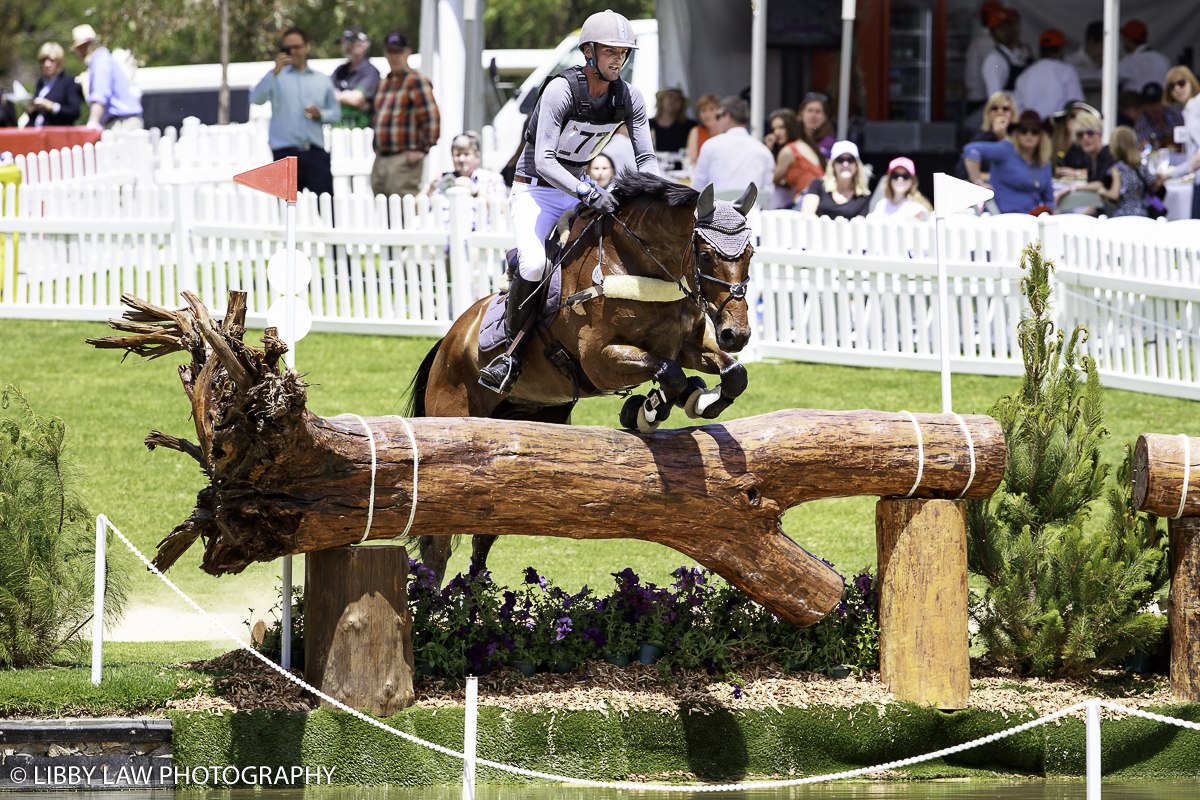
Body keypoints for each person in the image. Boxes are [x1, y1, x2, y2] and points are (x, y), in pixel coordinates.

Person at [478, 9, 660, 394]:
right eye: (611, 51)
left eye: (624, 52)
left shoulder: (629, 96)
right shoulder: (561, 90)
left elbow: (646, 160)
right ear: (589, 52)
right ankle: (509, 354)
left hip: (576, 189)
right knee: (534, 264)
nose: (618, 59)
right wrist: (589, 192)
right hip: (535, 191)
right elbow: (544, 160)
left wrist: (657, 197)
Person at [251, 28, 340, 197]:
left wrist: (320, 115)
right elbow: (256, 98)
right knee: (287, 214)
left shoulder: (321, 79)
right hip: (284, 154)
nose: (292, 51)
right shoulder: (276, 77)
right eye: (287, 48)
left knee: (328, 210)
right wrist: (274, 71)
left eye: (297, 47)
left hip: (315, 153)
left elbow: (336, 113)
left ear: (307, 47)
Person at [370, 32, 439, 199]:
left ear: (407, 52)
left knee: (404, 210)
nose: (394, 56)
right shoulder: (382, 84)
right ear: (385, 53)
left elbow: (432, 117)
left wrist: (423, 149)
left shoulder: (416, 81)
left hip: (404, 159)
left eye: (398, 52)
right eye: (390, 52)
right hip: (381, 158)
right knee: (383, 212)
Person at [962, 109, 1053, 214]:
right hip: (1004, 217)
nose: (1029, 135)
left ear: (1041, 136)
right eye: (1024, 131)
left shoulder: (1044, 161)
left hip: (1034, 217)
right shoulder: (1007, 149)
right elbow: (971, 150)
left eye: (1034, 131)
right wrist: (978, 183)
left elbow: (1049, 198)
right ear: (1017, 133)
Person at [691, 95, 775, 196]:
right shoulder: (763, 151)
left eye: (718, 116)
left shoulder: (711, 146)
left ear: (727, 117)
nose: (716, 120)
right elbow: (768, 193)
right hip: (751, 211)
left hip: (717, 210)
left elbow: (698, 187)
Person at [71, 24, 142, 130]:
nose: (81, 52)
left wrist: (92, 125)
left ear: (93, 44)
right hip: (122, 121)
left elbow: (100, 96)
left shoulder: (100, 61)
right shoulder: (101, 60)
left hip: (122, 123)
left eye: (84, 46)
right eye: (79, 48)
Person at [1014, 30, 1083, 120]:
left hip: (1032, 130)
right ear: (1060, 50)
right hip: (1058, 128)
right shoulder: (1067, 71)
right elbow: (1077, 106)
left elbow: (1018, 109)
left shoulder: (1024, 75)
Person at [796, 140, 871, 220]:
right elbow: (808, 214)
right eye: (840, 160)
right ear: (833, 165)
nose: (845, 164)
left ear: (856, 165)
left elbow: (858, 225)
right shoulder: (818, 184)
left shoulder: (863, 195)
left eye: (850, 159)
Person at [422, 132, 506, 202]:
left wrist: (475, 192)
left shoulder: (492, 178)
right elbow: (414, 210)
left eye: (466, 154)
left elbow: (501, 209)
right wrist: (430, 189)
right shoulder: (442, 179)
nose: (462, 159)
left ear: (477, 156)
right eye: (457, 155)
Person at [954, 91, 1016, 182]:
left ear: (1012, 113)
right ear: (988, 113)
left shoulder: (1021, 137)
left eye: (1005, 109)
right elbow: (961, 172)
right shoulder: (981, 138)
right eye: (995, 108)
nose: (1000, 112)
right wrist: (982, 176)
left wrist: (1003, 136)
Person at [765, 108, 820, 209]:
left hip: (807, 200)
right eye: (773, 129)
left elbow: (773, 181)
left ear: (791, 127)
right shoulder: (803, 144)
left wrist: (769, 150)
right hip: (815, 198)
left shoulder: (788, 151)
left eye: (781, 127)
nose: (777, 132)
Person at [1165, 66, 1200, 218]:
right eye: (1172, 86)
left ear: (1191, 81)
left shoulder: (1197, 105)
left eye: (1181, 83)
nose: (1177, 89)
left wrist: (1170, 174)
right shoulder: (1189, 109)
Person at [1100, 126, 1158, 217]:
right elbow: (1154, 183)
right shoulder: (1140, 166)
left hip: (1123, 215)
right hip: (1142, 213)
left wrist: (1102, 191)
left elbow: (1115, 194)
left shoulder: (1117, 169)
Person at [332, 27, 381, 129]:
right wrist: (347, 97)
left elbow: (356, 99)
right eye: (344, 42)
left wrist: (335, 95)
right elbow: (324, 94)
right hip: (338, 131)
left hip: (362, 134)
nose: (346, 46)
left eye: (350, 42)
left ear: (363, 44)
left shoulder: (371, 71)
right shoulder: (339, 71)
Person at [964, 2, 1006, 114]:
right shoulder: (986, 42)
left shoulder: (980, 40)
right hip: (981, 100)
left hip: (978, 98)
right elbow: (993, 71)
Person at [28, 42, 82, 128]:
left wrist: (51, 106)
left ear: (59, 62)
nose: (47, 64)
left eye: (51, 60)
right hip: (36, 132)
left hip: (57, 133)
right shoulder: (41, 83)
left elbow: (75, 111)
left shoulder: (68, 82)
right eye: (44, 60)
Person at [981, 8, 1030, 98]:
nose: (1007, 31)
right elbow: (995, 96)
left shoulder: (1017, 54)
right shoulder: (994, 60)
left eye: (1008, 26)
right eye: (1001, 28)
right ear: (992, 33)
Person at [1118, 20, 1172, 95]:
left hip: (1138, 105)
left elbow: (1100, 78)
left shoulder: (1130, 60)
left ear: (1127, 39)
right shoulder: (1163, 59)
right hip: (1160, 105)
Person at [869, 157, 932, 221]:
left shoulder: (917, 209)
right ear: (889, 179)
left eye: (905, 176)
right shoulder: (881, 205)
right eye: (895, 175)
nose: (900, 179)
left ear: (913, 181)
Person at [1053, 107, 1103, 181]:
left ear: (1100, 134)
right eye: (1080, 134)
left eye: (1090, 132)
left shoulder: (1106, 154)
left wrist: (1077, 173)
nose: (1085, 137)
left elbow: (1100, 175)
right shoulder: (1059, 146)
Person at [1135, 83, 1183, 151]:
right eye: (1150, 104)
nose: (1155, 108)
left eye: (1158, 102)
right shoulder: (1141, 124)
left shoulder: (1179, 114)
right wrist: (1166, 142)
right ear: (1144, 106)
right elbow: (1147, 148)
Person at [1065, 21, 1104, 107]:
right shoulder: (1070, 63)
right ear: (1092, 40)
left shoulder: (1108, 64)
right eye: (1103, 45)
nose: (1106, 49)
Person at [649, 86, 694, 153]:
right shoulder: (647, 124)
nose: (673, 101)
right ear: (661, 101)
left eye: (677, 99)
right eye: (670, 97)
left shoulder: (690, 126)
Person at [684, 93, 722, 169]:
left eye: (711, 109)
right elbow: (690, 161)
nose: (707, 114)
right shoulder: (696, 131)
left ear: (720, 111)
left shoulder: (727, 131)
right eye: (703, 110)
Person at [798, 92, 835, 161]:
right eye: (809, 110)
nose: (813, 115)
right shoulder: (793, 137)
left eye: (818, 111)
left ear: (825, 117)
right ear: (801, 114)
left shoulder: (831, 144)